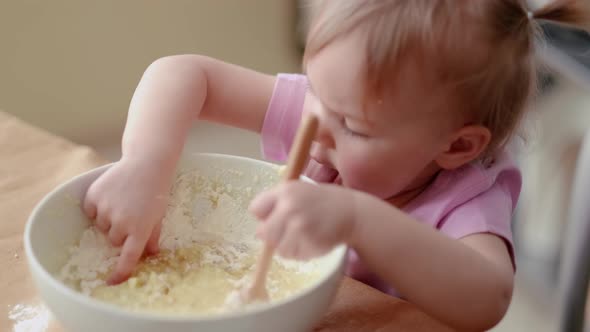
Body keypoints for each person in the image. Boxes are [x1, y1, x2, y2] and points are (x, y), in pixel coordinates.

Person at [82, 0, 589, 329]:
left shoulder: (466, 198)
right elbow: (185, 74)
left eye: (353, 126)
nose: (313, 125)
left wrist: (356, 219)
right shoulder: (326, 109)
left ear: (455, 147)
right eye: (315, 91)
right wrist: (145, 165)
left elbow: (488, 298)